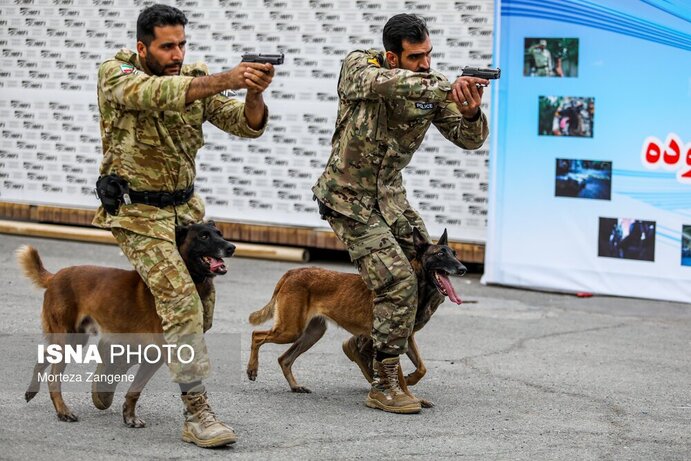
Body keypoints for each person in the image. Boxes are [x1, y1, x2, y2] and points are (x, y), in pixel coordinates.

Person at [92, 4, 274, 448]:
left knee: (201, 311)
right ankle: (197, 415)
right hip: (138, 214)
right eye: (167, 46)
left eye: (182, 44)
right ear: (142, 47)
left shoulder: (196, 76)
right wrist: (226, 78)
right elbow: (156, 94)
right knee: (180, 301)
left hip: (186, 212)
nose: (177, 53)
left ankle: (119, 352)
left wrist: (253, 92)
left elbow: (244, 125)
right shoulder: (115, 73)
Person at [312, 13, 489, 414]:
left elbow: (469, 140)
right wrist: (444, 86)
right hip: (347, 199)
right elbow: (378, 85)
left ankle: (368, 346)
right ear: (393, 57)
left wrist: (470, 111)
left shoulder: (432, 89)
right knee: (396, 280)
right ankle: (385, 382)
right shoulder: (361, 65)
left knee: (434, 271)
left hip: (391, 200)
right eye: (416, 57)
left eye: (429, 54)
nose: (426, 63)